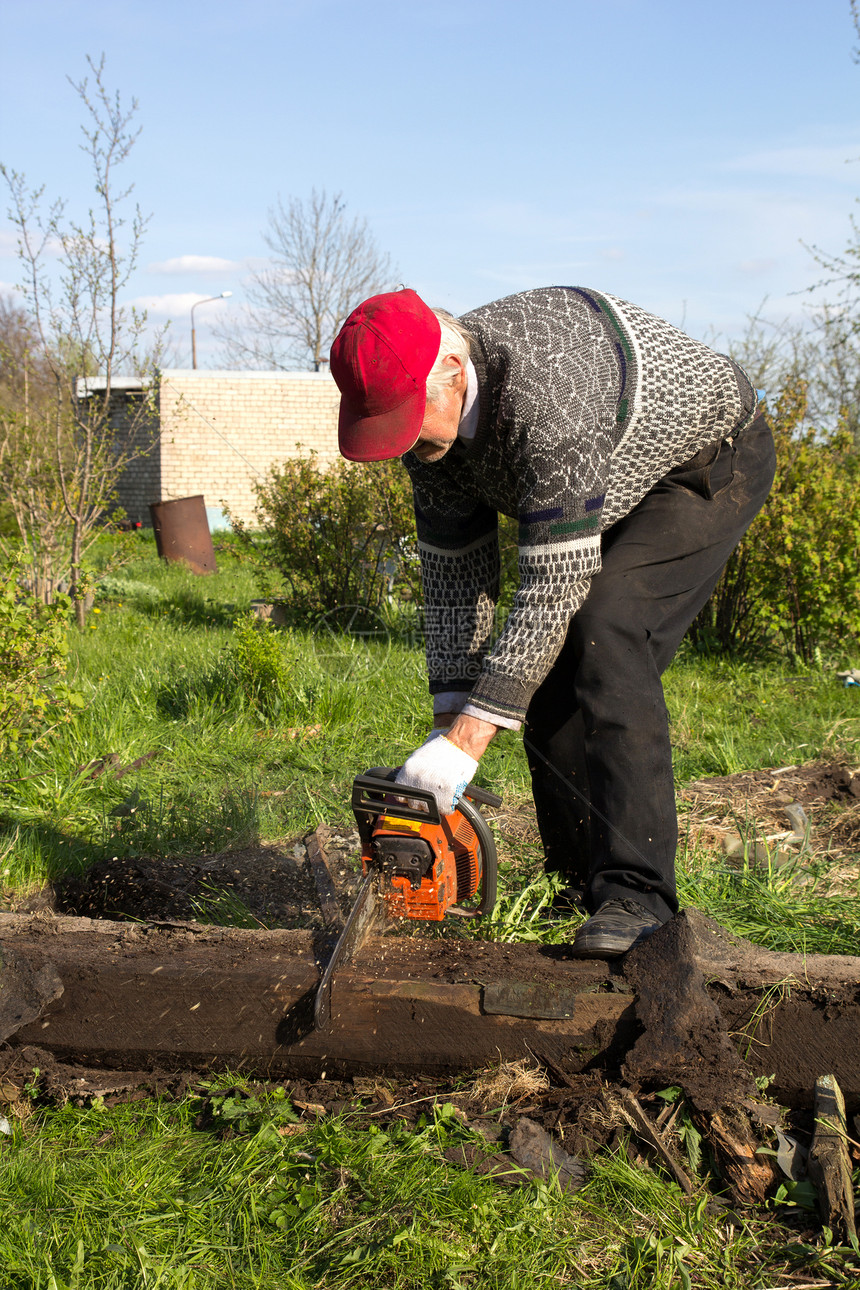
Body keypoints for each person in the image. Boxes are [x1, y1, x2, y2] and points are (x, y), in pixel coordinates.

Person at [329, 286, 775, 957]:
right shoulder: (432, 437)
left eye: (409, 416)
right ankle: (572, 882)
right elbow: (457, 579)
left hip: (704, 465)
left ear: (451, 371)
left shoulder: (549, 391)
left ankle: (637, 896)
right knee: (552, 663)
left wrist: (470, 743)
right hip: (610, 476)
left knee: (605, 628)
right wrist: (446, 724)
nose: (406, 439)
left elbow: (553, 584)